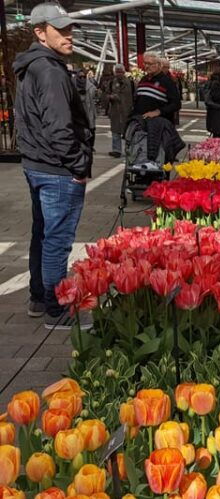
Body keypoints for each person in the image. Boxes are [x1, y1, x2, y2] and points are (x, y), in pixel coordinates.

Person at [14, 2, 93, 330]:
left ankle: (38, 298)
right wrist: (79, 165)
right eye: (60, 29)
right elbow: (59, 127)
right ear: (40, 32)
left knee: (43, 234)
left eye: (69, 27)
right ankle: (55, 308)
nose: (68, 34)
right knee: (57, 240)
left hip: (38, 164)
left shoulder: (32, 66)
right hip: (57, 169)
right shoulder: (50, 71)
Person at [132, 51, 181, 125]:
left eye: (150, 64)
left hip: (159, 125)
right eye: (145, 63)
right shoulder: (143, 80)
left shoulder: (167, 82)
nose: (147, 66)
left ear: (159, 65)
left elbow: (176, 104)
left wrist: (158, 112)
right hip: (141, 124)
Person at [104, 64, 133, 157]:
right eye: (117, 72)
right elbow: (105, 94)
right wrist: (110, 97)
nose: (119, 74)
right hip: (115, 111)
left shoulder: (131, 83)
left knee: (128, 132)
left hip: (128, 111)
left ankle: (129, 150)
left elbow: (135, 96)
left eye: (120, 71)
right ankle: (116, 150)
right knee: (115, 131)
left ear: (124, 72)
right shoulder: (111, 83)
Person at [75, 68, 98, 151]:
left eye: (83, 77)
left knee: (91, 129)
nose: (82, 79)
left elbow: (95, 94)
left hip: (89, 111)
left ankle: (91, 145)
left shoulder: (90, 86)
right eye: (80, 77)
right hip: (79, 111)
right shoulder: (73, 86)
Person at [205, 71, 220, 138]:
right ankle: (216, 143)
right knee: (218, 132)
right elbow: (216, 97)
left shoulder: (215, 82)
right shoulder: (216, 83)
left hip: (216, 110)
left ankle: (216, 142)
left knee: (217, 132)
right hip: (217, 111)